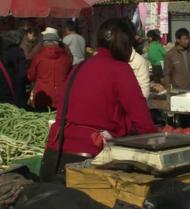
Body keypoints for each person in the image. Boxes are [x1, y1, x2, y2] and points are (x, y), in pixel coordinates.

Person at [40, 18, 157, 183]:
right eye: (130, 44)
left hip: (54, 156)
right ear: (124, 44)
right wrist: (159, 145)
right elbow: (142, 119)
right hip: (87, 162)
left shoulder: (78, 67)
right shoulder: (120, 70)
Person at [28, 30, 72, 110]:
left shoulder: (38, 58)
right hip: (62, 95)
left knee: (41, 121)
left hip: (42, 96)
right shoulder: (66, 58)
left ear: (43, 43)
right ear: (57, 43)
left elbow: (31, 76)